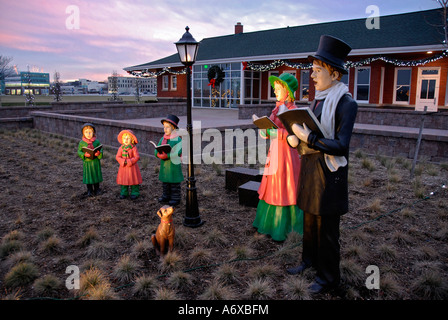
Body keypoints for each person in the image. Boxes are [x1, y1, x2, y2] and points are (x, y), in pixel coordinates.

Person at [286, 35, 358, 294]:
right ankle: (309, 261)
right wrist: (296, 140)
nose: (312, 76)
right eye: (312, 70)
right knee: (309, 221)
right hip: (311, 171)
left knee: (327, 230)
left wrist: (311, 138)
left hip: (330, 176)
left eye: (318, 71)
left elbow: (341, 145)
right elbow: (310, 130)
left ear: (335, 74)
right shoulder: (317, 100)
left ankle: (328, 278)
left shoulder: (347, 104)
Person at [253, 72, 304, 241]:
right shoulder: (277, 108)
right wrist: (265, 130)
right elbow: (273, 127)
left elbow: (294, 134)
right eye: (274, 89)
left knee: (285, 184)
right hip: (275, 151)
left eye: (278, 89)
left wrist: (275, 132)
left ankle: (286, 227)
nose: (275, 92)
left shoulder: (294, 111)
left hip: (287, 155)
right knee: (273, 183)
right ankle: (268, 223)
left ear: (287, 91)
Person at [155, 114, 183, 206]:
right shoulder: (163, 139)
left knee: (174, 183)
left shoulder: (177, 139)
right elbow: (157, 148)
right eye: (164, 127)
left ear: (174, 128)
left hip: (173, 166)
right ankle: (166, 195)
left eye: (168, 127)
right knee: (165, 182)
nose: (165, 129)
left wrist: (167, 155)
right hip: (165, 166)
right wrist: (158, 153)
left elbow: (178, 151)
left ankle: (175, 197)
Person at [116, 129, 143, 200]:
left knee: (134, 179)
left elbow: (137, 156)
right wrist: (123, 161)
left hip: (132, 168)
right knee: (124, 180)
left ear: (131, 139)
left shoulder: (134, 148)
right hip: (123, 168)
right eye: (124, 138)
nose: (126, 140)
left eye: (128, 138)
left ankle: (135, 192)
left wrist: (130, 161)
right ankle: (124, 192)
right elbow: (118, 157)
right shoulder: (121, 148)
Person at [77, 123, 103, 197]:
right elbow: (79, 151)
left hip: (95, 162)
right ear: (83, 133)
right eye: (86, 132)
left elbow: (101, 149)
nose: (88, 134)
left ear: (93, 132)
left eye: (90, 132)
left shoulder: (96, 142)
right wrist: (84, 155)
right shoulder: (82, 143)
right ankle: (89, 190)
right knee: (89, 176)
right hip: (87, 163)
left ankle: (97, 189)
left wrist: (99, 153)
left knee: (96, 174)